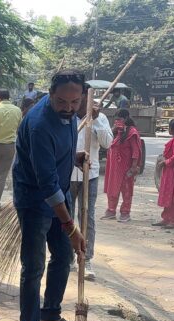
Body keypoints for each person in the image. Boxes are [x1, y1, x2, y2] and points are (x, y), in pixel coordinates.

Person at [12, 70, 88, 321]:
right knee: (33, 265)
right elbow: (46, 182)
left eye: (75, 102)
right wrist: (71, 227)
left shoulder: (70, 115)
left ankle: (50, 315)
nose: (69, 108)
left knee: (65, 255)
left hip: (60, 193)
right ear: (51, 94)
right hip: (35, 200)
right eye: (62, 102)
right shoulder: (39, 124)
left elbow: (60, 153)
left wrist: (75, 158)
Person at [69, 85, 113, 281]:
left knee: (88, 217)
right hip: (67, 175)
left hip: (90, 174)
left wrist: (95, 122)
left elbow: (107, 144)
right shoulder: (67, 116)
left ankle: (86, 260)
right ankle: (66, 257)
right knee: (66, 218)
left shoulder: (100, 119)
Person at [102, 109, 142, 222]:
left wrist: (134, 167)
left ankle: (125, 213)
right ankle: (111, 210)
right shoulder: (116, 131)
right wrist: (114, 130)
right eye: (116, 120)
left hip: (126, 167)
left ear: (126, 119)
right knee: (112, 188)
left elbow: (136, 151)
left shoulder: (132, 132)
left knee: (126, 190)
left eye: (119, 119)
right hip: (114, 166)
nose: (117, 122)